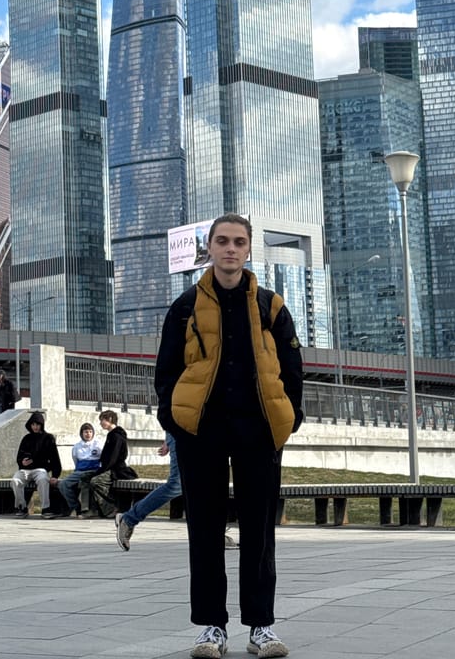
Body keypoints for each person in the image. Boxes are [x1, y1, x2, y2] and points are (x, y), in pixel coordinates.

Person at [155, 213, 303, 659]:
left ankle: (261, 626)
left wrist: (289, 418)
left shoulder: (271, 307)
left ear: (249, 249)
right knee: (204, 529)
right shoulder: (184, 307)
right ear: (210, 248)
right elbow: (166, 371)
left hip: (258, 430)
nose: (230, 249)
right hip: (203, 431)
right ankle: (211, 629)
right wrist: (173, 419)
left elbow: (293, 369)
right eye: (222, 241)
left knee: (259, 531)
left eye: (239, 242)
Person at [114, 433, 181, 550]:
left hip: (206, 433)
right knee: (176, 485)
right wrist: (170, 435)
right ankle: (129, 519)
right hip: (184, 434)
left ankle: (214, 533)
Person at [11, 412, 62, 518]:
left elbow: (54, 458)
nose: (35, 427)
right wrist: (22, 462)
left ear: (41, 425)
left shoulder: (48, 438)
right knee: (15, 481)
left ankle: (45, 509)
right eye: (33, 424)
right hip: (25, 470)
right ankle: (22, 507)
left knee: (43, 479)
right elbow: (19, 457)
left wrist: (55, 475)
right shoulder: (26, 438)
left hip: (40, 469)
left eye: (37, 424)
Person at [87, 410, 136, 518]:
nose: (100, 423)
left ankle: (111, 508)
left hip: (116, 469)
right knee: (85, 478)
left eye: (102, 420)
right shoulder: (111, 435)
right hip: (109, 468)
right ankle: (91, 509)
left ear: (109, 420)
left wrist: (102, 470)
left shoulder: (116, 436)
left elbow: (113, 458)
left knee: (96, 481)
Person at [57, 422, 103, 517]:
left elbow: (103, 460)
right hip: (80, 471)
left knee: (85, 482)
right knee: (63, 484)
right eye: (86, 432)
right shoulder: (77, 447)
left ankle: (86, 509)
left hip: (93, 471)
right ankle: (75, 507)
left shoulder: (98, 444)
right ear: (81, 433)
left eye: (90, 432)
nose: (88, 434)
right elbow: (76, 461)